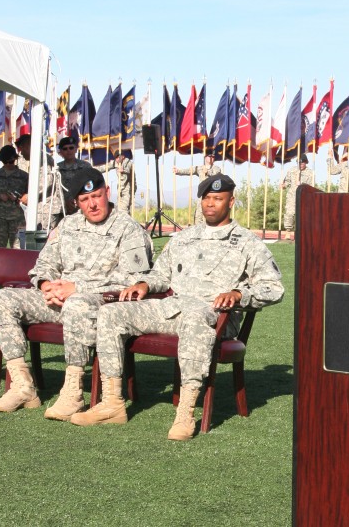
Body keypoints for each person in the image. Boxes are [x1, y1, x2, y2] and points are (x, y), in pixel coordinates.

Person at [70, 174, 284, 440]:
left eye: (217, 199)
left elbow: (273, 288)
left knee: (195, 319)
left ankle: (186, 411)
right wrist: (145, 285)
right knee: (111, 313)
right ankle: (112, 402)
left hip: (214, 316)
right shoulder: (184, 238)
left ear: (231, 202)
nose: (210, 204)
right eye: (206, 199)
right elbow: (160, 274)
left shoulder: (247, 242)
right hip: (172, 308)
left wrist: (240, 294)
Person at [0, 168, 153, 418]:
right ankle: (23, 386)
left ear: (106, 193)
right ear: (76, 202)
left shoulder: (128, 228)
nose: (92, 204)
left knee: (77, 304)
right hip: (58, 299)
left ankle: (73, 393)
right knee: (1, 299)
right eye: (85, 200)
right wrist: (46, 284)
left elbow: (134, 278)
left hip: (101, 302)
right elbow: (44, 264)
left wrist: (77, 289)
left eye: (96, 196)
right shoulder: (68, 225)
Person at [15, 133, 61, 231]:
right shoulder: (27, 159)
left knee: (41, 241)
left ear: (27, 146)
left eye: (21, 149)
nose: (21, 153)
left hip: (45, 208)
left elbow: (47, 181)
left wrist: (29, 196)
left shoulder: (42, 159)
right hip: (35, 208)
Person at [0, 145, 29, 249]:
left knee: (20, 249)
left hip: (18, 220)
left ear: (15, 159)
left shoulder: (24, 176)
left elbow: (31, 196)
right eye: (5, 162)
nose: (8, 164)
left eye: (11, 161)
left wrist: (22, 198)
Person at [173, 154, 221, 225]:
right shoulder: (200, 168)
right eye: (210, 156)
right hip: (202, 194)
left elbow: (217, 176)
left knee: (209, 212)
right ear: (205, 157)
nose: (211, 158)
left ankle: (209, 228)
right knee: (198, 214)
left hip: (211, 194)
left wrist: (208, 172)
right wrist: (178, 171)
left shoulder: (216, 168)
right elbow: (189, 171)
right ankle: (197, 228)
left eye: (213, 157)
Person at [55, 136, 92, 220]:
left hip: (81, 210)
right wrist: (64, 202)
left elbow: (90, 187)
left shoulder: (86, 167)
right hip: (62, 211)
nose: (69, 151)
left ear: (76, 149)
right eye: (65, 149)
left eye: (71, 148)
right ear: (60, 151)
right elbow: (54, 192)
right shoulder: (56, 169)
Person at [281, 153, 315, 239]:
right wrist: (283, 185)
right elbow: (287, 181)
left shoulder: (310, 173)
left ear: (306, 163)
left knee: (303, 216)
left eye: (302, 163)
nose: (300, 165)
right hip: (292, 196)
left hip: (304, 197)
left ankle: (302, 233)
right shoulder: (292, 170)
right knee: (289, 213)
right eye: (299, 163)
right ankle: (288, 232)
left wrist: (302, 184)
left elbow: (312, 186)